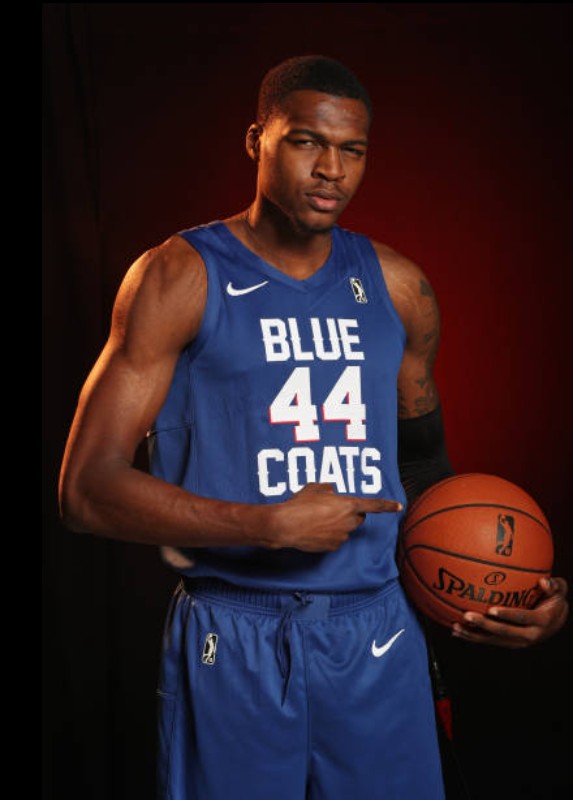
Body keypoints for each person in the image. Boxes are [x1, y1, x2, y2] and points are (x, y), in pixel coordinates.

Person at [58, 55, 569, 800]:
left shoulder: (399, 288)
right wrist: (264, 525)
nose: (332, 169)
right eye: (306, 142)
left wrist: (505, 587)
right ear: (256, 141)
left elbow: (426, 472)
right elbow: (84, 491)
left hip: (377, 632)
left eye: (352, 150)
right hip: (232, 631)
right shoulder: (178, 276)